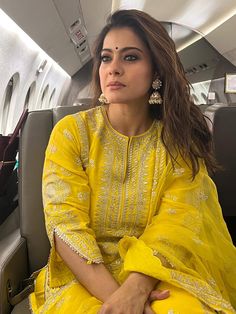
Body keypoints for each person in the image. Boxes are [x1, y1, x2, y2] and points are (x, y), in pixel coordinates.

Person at [29, 9, 236, 314]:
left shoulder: (177, 141)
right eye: (106, 57)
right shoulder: (71, 133)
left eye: (129, 57)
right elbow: (65, 225)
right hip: (84, 275)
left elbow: (178, 226)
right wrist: (119, 300)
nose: (113, 68)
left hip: (160, 272)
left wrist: (136, 290)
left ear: (156, 72)